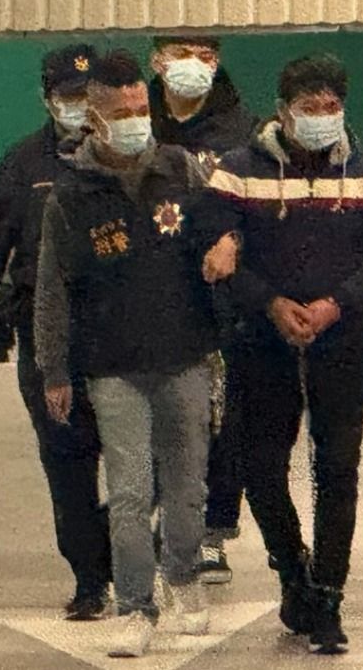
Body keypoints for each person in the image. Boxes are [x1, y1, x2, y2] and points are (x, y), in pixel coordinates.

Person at [194, 55, 363, 654]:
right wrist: (270, 303)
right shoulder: (238, 171)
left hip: (342, 340)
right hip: (261, 341)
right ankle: (291, 568)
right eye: (309, 108)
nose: (321, 117)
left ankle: (329, 596)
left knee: (337, 468)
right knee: (261, 466)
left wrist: (338, 303)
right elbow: (215, 252)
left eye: (331, 107)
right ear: (283, 112)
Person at [33, 49, 232, 658]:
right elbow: (52, 290)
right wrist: (54, 369)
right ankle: (136, 606)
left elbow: (227, 221)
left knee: (187, 485)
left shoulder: (181, 170)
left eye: (140, 108)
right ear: (94, 119)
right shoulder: (70, 197)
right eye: (120, 113)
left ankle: (183, 576)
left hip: (185, 356)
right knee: (127, 492)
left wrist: (228, 242)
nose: (134, 121)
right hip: (113, 367)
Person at [0, 44, 111, 622]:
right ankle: (90, 577)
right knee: (66, 459)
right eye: (69, 96)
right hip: (46, 332)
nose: (79, 105)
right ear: (47, 99)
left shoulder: (136, 155)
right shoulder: (24, 164)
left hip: (124, 328)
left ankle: (124, 547)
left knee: (147, 458)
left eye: (89, 95)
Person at [149, 34, 259, 585]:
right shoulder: (134, 123)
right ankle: (158, 518)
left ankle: (213, 531)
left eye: (205, 55)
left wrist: (236, 240)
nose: (193, 65)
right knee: (155, 413)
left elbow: (266, 209)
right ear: (157, 61)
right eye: (181, 53)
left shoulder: (246, 131)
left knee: (224, 419)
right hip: (149, 297)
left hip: (224, 302)